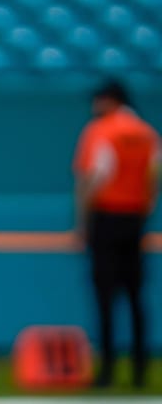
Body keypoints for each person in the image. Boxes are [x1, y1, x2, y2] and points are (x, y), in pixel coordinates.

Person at [72, 79, 161, 388]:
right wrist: (145, 208)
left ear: (109, 100)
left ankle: (107, 371)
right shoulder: (147, 133)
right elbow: (154, 175)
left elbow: (93, 177)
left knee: (105, 298)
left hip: (106, 218)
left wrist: (82, 222)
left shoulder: (102, 131)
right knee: (136, 297)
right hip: (135, 218)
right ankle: (140, 371)